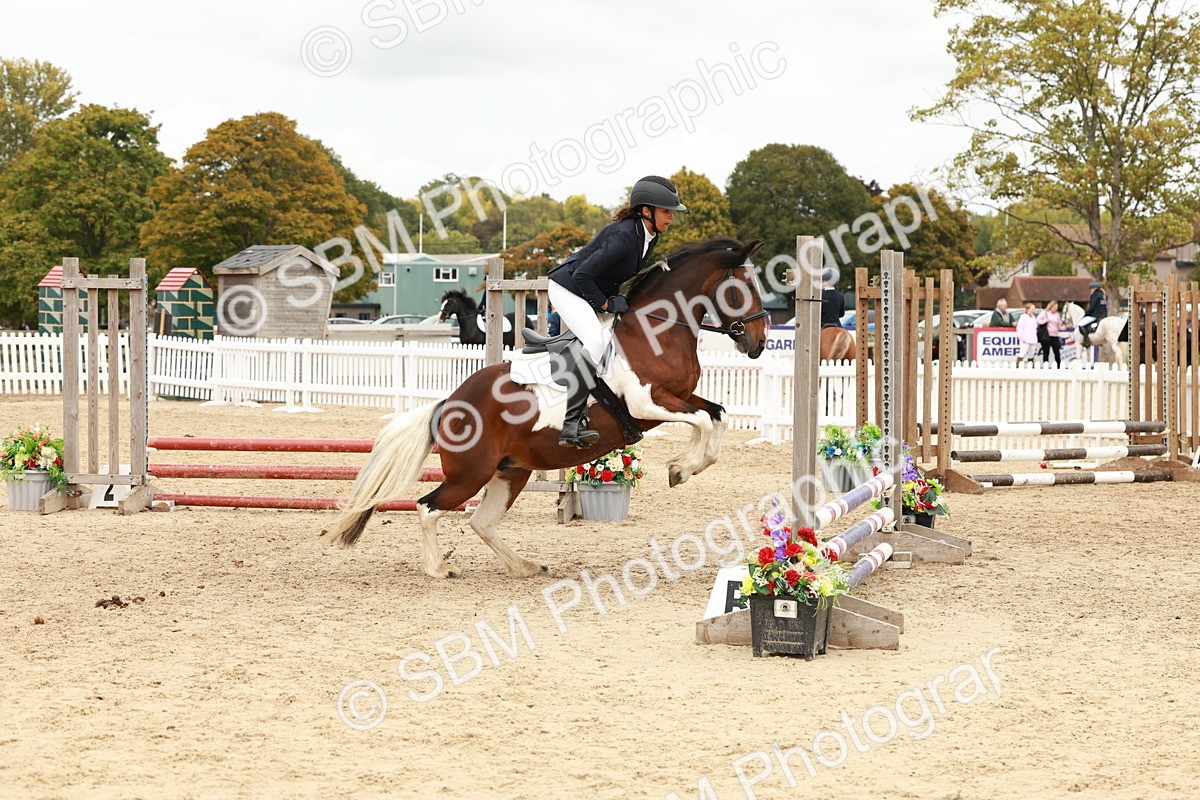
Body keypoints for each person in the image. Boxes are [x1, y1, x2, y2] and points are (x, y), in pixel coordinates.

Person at [546, 175, 686, 448]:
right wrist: (607, 304)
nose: (671, 217)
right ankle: (571, 423)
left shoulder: (650, 235)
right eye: (666, 211)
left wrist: (613, 297)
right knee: (597, 341)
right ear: (647, 211)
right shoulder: (624, 237)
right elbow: (584, 274)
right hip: (568, 289)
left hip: (588, 289)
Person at [1078, 280, 1108, 345]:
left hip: (1095, 315)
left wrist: (1086, 315)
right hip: (1104, 315)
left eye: (1091, 288)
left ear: (1095, 288)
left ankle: (1087, 340)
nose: (1090, 290)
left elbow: (1092, 307)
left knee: (1080, 324)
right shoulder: (1103, 295)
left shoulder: (1095, 295)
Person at [1037, 299, 1063, 367]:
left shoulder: (1057, 315)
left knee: (1057, 352)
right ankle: (1046, 366)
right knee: (1046, 352)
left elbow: (1059, 325)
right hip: (1047, 336)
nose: (1056, 309)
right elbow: (1038, 320)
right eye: (1055, 307)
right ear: (1051, 307)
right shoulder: (1045, 312)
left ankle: (1059, 366)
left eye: (1056, 307)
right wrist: (1045, 321)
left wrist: (1065, 327)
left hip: (1055, 336)